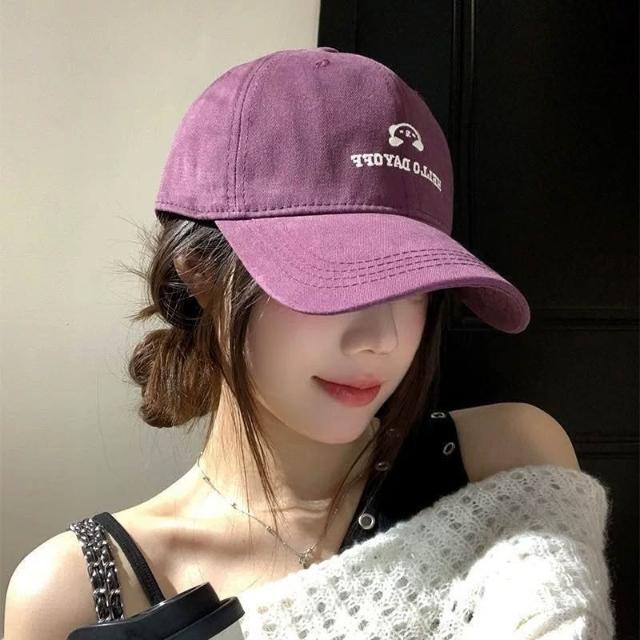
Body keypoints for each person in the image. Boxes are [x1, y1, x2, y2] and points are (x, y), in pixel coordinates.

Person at [5, 47, 610, 640]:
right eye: (334, 277)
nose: (381, 340)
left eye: (415, 286)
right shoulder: (81, 594)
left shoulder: (508, 464)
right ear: (201, 272)